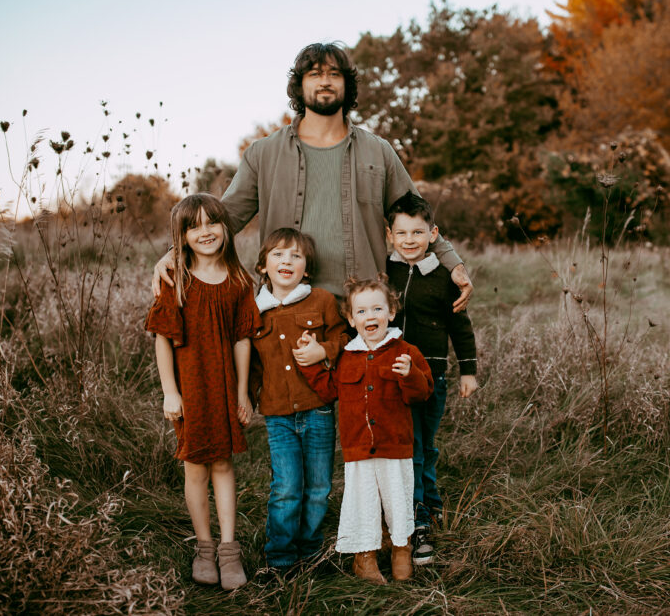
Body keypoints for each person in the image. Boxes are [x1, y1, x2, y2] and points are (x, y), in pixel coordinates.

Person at [153, 42, 473, 311]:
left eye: (334, 74)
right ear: (299, 84)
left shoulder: (379, 151)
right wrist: (175, 253)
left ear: (346, 85)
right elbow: (225, 219)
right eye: (314, 74)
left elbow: (414, 216)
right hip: (286, 305)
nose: (325, 81)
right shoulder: (263, 153)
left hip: (362, 307)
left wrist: (452, 263)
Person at [145, 193, 260, 591]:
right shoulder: (175, 279)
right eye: (194, 226)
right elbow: (162, 339)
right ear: (182, 236)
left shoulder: (240, 281)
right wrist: (169, 392)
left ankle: (229, 550)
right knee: (195, 467)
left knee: (224, 465)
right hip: (190, 387)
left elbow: (243, 339)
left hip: (225, 384)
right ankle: (204, 547)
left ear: (226, 227)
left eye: (212, 222)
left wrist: (243, 393)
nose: (205, 231)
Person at [296, 277, 433, 584]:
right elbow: (329, 390)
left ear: (391, 312)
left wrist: (410, 375)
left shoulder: (405, 350)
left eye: (377, 309)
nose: (370, 316)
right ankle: (365, 557)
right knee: (364, 500)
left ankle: (401, 548)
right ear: (350, 318)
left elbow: (422, 393)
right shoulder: (346, 355)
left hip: (395, 446)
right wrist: (308, 363)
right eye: (361, 311)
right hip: (357, 447)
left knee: (397, 498)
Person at [385, 192, 478, 567]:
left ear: (432, 233)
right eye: (402, 232)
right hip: (391, 377)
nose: (409, 240)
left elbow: (461, 326)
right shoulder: (383, 274)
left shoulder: (443, 278)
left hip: (431, 377)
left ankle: (423, 516)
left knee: (423, 446)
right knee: (405, 447)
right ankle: (411, 509)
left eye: (418, 232)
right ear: (389, 235)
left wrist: (468, 370)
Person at [249, 228, 349, 577]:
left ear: (307, 268)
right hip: (277, 414)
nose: (286, 261)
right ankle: (280, 559)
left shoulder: (320, 300)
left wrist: (324, 350)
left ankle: (311, 554)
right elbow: (250, 365)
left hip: (318, 407)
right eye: (278, 254)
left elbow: (343, 336)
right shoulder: (253, 311)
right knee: (287, 487)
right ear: (263, 266)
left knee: (319, 487)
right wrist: (245, 400)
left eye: (295, 256)